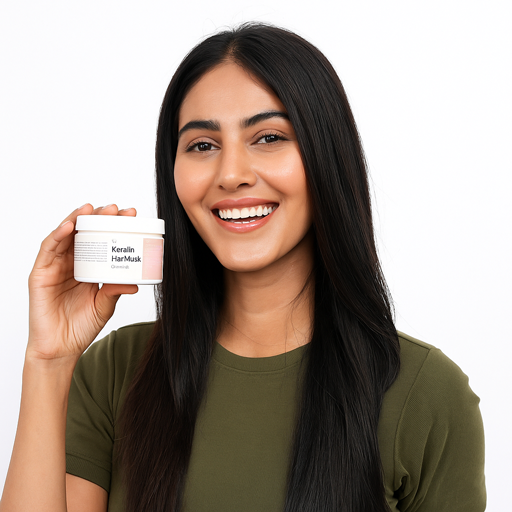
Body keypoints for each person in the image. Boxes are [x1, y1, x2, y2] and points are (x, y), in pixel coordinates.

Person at [0, 23, 485, 512]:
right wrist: (49, 361)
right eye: (202, 146)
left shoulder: (426, 395)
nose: (231, 174)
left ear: (325, 156)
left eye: (269, 136)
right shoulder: (117, 370)